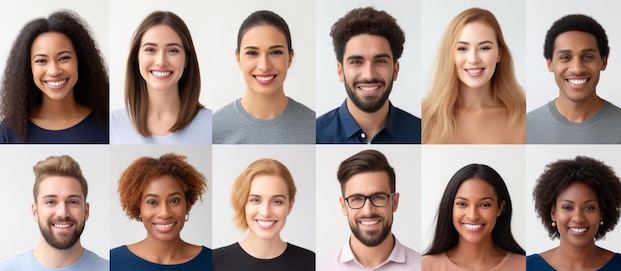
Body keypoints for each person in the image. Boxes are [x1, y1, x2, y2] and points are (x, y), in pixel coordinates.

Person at [0, 155, 109, 271]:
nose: (63, 213)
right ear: (35, 212)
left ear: (86, 211)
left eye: (73, 202)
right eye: (51, 202)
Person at [316, 149, 420, 271]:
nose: (368, 211)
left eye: (378, 197)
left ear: (394, 202)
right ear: (343, 206)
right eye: (357, 199)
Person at [0, 10, 108, 143]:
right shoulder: (9, 131)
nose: (54, 71)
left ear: (80, 60)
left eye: (64, 58)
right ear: (29, 68)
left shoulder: (107, 125)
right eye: (41, 61)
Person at [316, 7, 421, 144]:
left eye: (380, 61)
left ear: (395, 70)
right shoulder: (315, 135)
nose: (369, 75)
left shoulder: (422, 133)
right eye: (357, 62)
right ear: (340, 71)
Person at [110, 153, 212, 271]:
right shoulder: (112, 263)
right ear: (138, 207)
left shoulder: (213, 263)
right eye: (152, 202)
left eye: (174, 201)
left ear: (187, 205)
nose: (164, 213)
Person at [422, 8, 525, 144]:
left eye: (484, 48)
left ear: (499, 54)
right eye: (462, 48)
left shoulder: (524, 115)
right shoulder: (424, 115)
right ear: (450, 54)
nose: (473, 59)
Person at [213, 10, 314, 144]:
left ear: (290, 58)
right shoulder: (214, 128)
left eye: (275, 52)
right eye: (252, 53)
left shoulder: (314, 126)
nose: (264, 66)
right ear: (238, 58)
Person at [110, 11, 211, 144]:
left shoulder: (211, 124)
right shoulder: (111, 125)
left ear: (186, 59)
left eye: (173, 50)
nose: (161, 61)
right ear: (137, 58)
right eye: (150, 50)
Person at [527, 156, 621, 271]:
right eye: (567, 207)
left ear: (601, 213)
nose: (578, 218)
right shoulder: (527, 270)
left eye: (589, 207)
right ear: (553, 213)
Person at [213, 158, 314, 271]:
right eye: (255, 200)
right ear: (243, 203)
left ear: (290, 205)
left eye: (277, 201)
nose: (266, 212)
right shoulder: (214, 263)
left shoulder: (311, 264)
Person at [422, 164, 525, 271]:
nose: (472, 216)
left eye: (484, 205)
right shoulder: (424, 268)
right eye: (462, 204)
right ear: (450, 207)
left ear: (500, 208)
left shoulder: (524, 269)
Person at [527, 14, 621, 143]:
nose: (577, 69)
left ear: (604, 61)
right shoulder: (525, 127)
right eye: (565, 57)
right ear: (550, 63)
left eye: (588, 57)